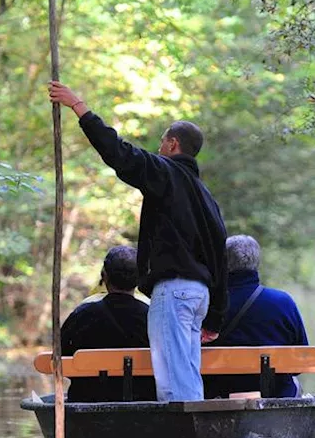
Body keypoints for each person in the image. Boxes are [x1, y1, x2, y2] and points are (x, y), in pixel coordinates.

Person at [48, 80, 227, 402]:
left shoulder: (166, 173)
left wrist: (79, 107)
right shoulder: (206, 197)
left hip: (174, 290)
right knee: (186, 370)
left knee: (174, 378)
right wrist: (215, 314)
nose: (158, 149)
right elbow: (219, 256)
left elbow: (119, 153)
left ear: (173, 144)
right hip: (199, 295)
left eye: (161, 143)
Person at [205, 234, 308, 398]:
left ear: (222, 264)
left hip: (217, 395)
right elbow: (300, 363)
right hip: (275, 394)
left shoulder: (207, 304)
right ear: (256, 264)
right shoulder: (283, 302)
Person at [61, 246, 156, 402]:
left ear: (104, 276)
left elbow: (61, 361)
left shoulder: (82, 315)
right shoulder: (152, 317)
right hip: (142, 398)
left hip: (87, 398)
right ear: (139, 279)